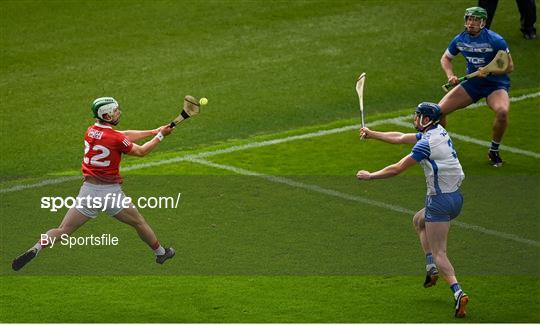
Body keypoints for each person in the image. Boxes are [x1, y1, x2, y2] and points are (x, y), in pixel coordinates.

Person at [12, 97, 176, 271]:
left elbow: (124, 135)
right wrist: (160, 136)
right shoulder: (115, 139)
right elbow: (141, 151)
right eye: (115, 110)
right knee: (139, 223)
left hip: (88, 192)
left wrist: (153, 131)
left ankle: (36, 247)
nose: (119, 112)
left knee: (62, 230)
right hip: (111, 194)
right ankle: (160, 253)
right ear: (106, 115)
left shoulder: (90, 131)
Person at [356, 102, 469, 318]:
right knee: (418, 221)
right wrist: (372, 134)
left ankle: (458, 292)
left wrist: (371, 175)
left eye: (418, 115)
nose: (415, 118)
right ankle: (430, 268)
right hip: (456, 198)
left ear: (426, 119)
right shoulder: (439, 132)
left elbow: (397, 168)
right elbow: (399, 137)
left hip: (439, 201)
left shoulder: (426, 145)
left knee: (440, 253)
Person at [439, 6, 514, 167]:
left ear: (483, 23)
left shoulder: (496, 40)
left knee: (502, 111)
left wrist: (490, 71)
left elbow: (509, 67)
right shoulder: (460, 39)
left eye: (476, 20)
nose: (471, 23)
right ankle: (441, 147)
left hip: (496, 85)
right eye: (469, 19)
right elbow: (445, 59)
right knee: (438, 112)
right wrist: (450, 75)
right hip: (472, 84)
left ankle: (494, 150)